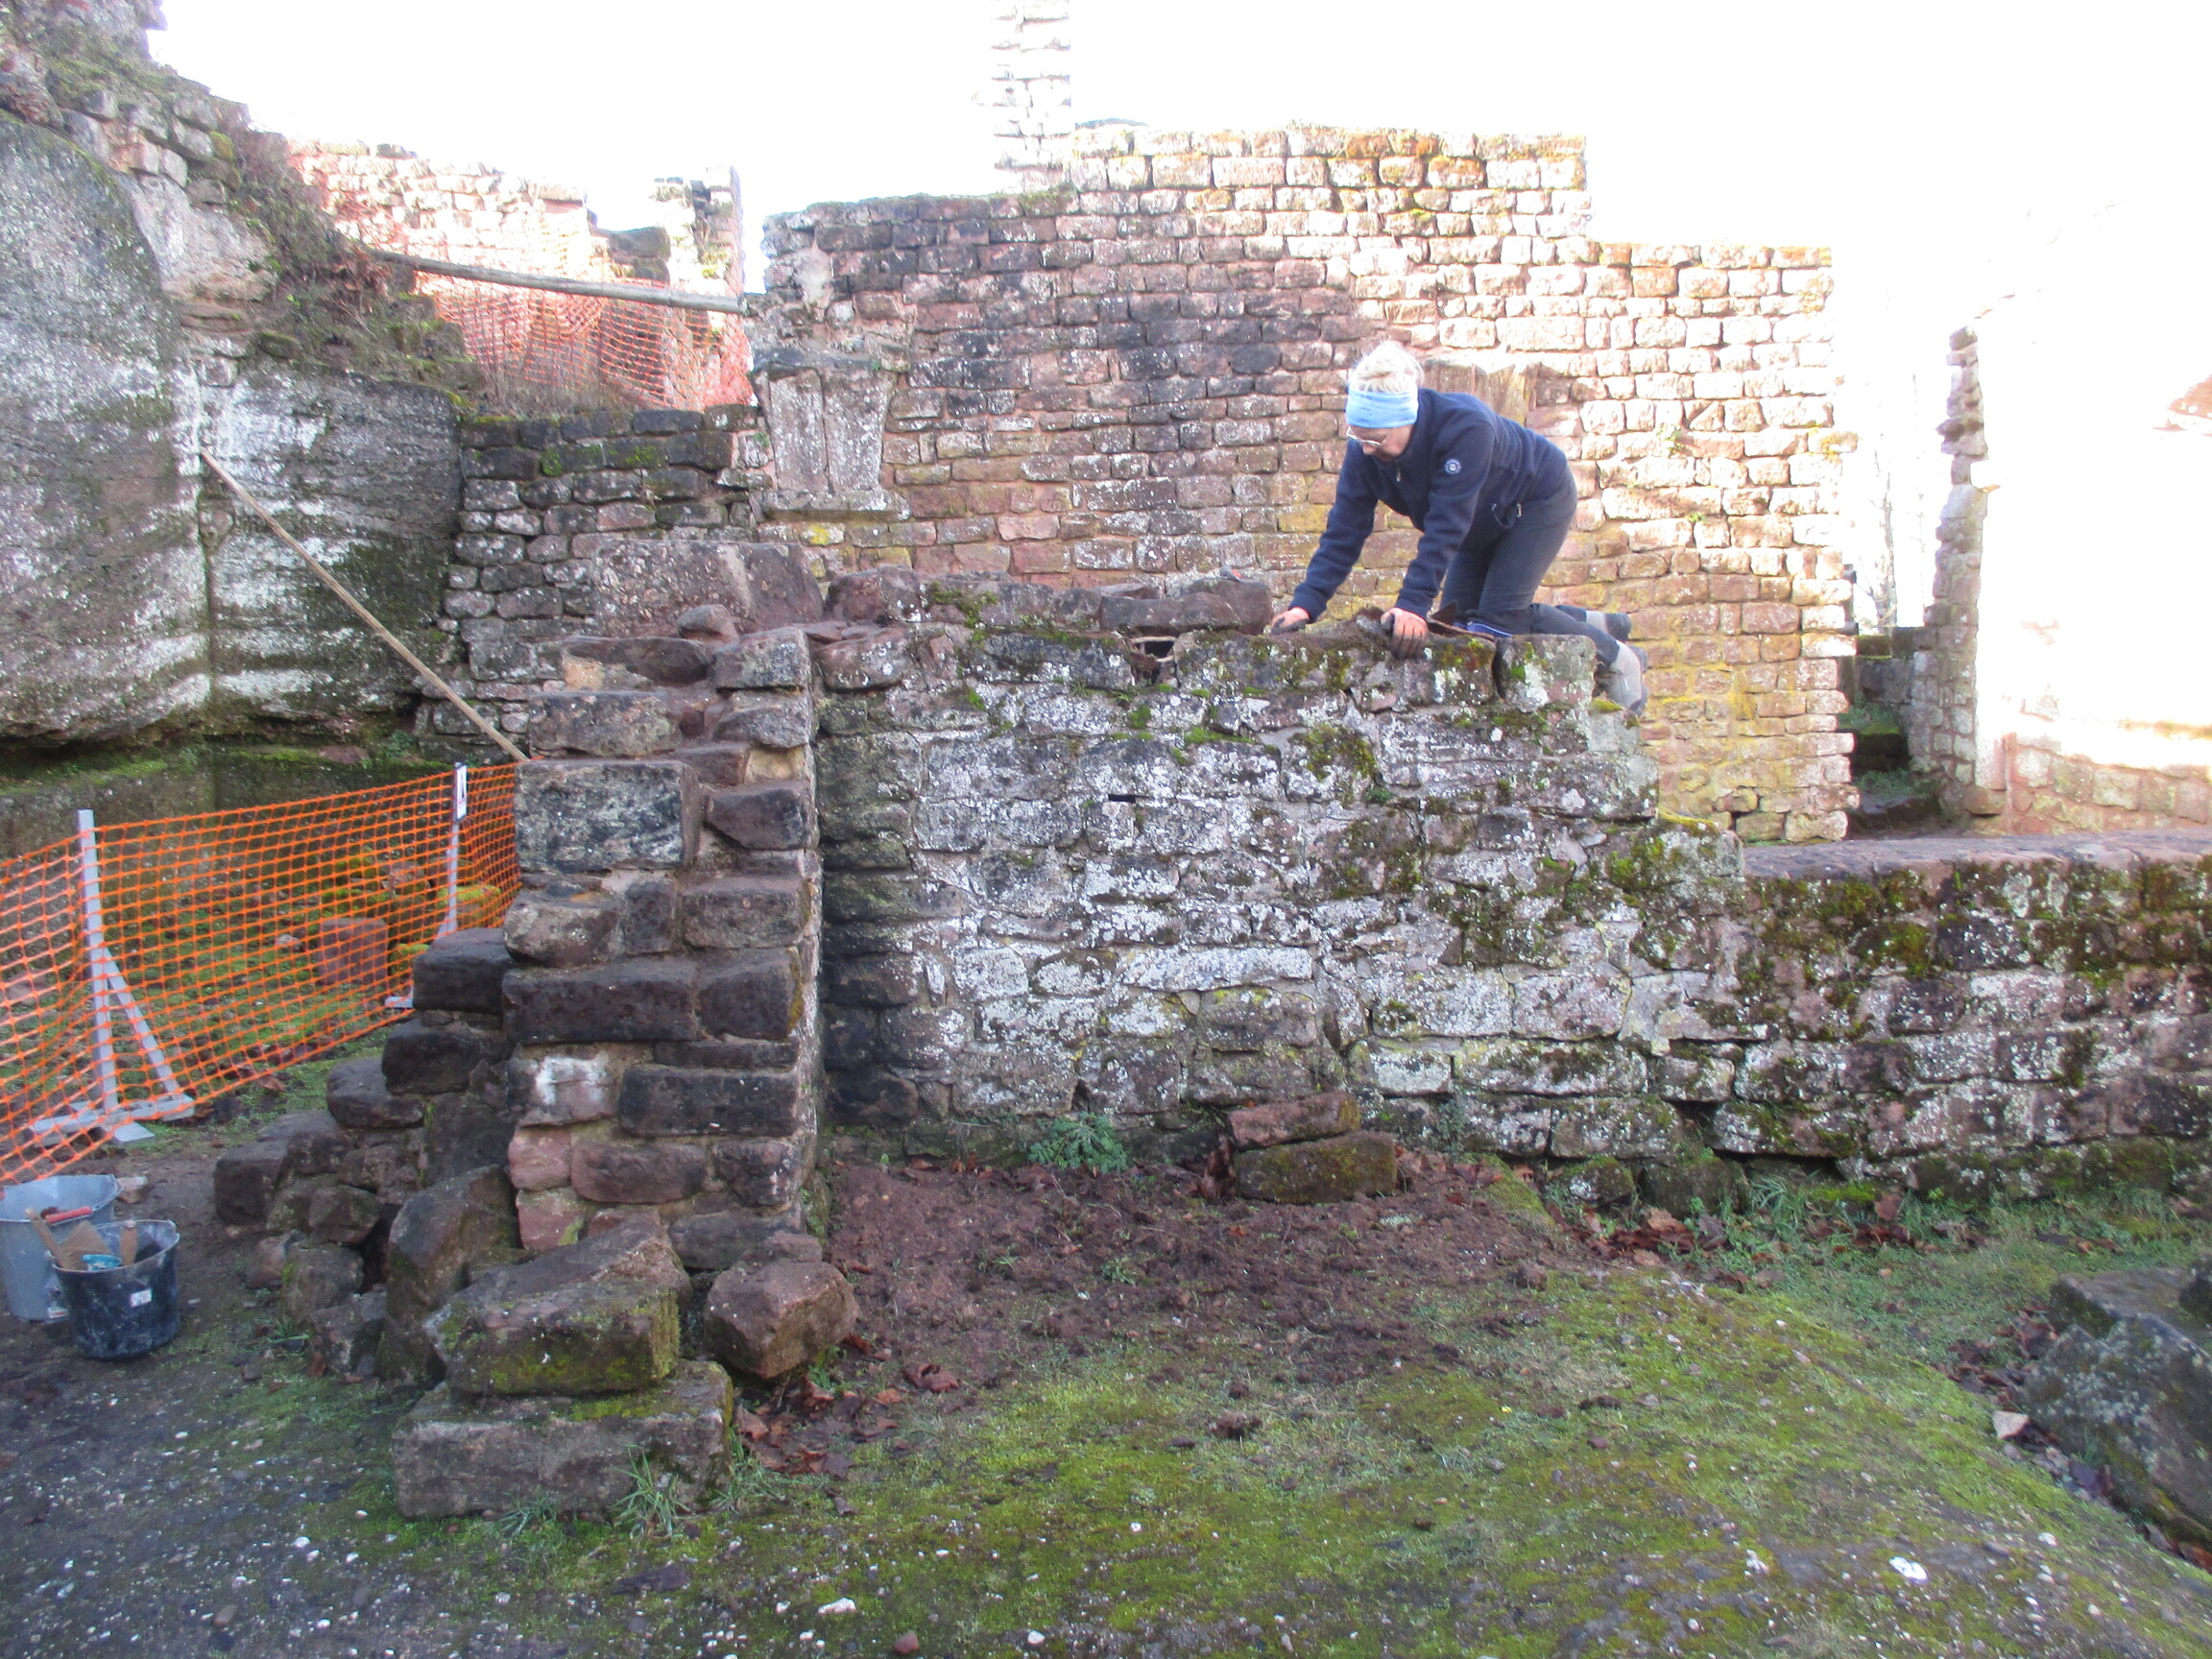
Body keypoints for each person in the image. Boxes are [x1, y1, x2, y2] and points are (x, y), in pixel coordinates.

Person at [1267, 341, 1647, 713]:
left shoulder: (1465, 428)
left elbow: (1445, 526)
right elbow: (1344, 531)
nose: (1366, 448)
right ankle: (1591, 622)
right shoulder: (1364, 452)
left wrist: (1412, 605)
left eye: (1376, 438)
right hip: (1477, 519)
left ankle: (1618, 659)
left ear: (1406, 419)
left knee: (1498, 622)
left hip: (1534, 500)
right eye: (1357, 435)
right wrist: (1305, 605)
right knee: (1461, 626)